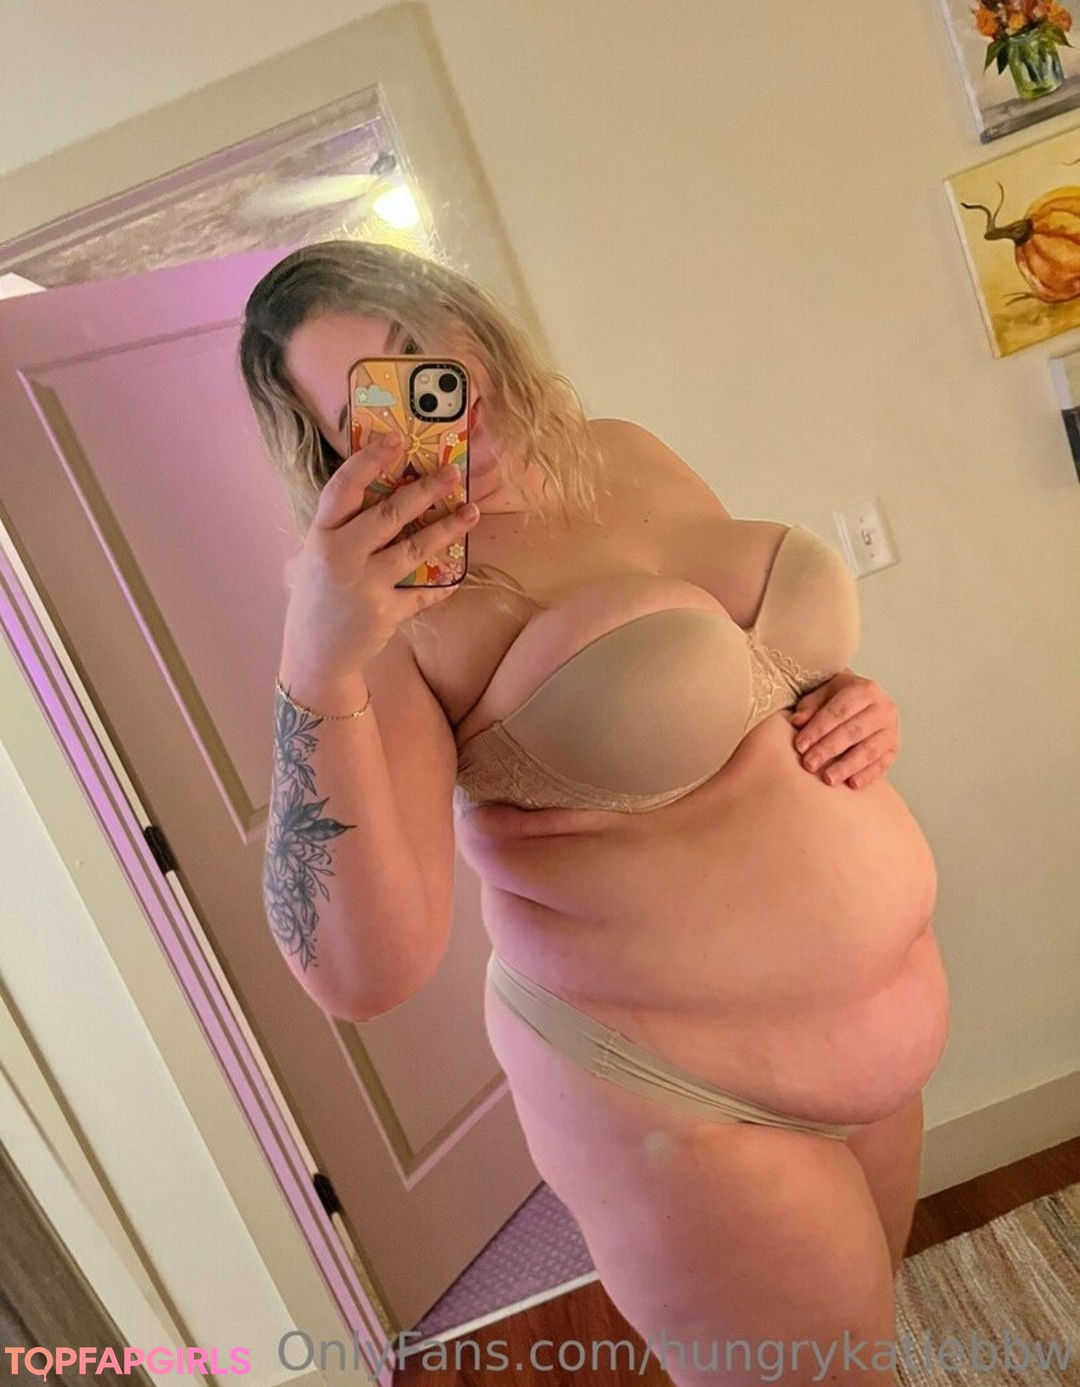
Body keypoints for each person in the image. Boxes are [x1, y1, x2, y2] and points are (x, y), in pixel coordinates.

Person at [240, 239, 950, 1387]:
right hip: (680, 1102)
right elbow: (356, 972)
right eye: (371, 404)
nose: (427, 406)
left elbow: (738, 679)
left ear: (468, 323)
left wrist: (846, 701)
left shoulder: (622, 451)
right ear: (337, 453)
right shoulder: (401, 615)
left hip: (879, 1038)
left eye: (422, 354)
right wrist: (316, 662)